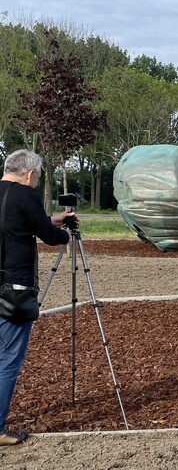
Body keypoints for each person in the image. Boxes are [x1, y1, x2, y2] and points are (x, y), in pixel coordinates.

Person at [0, 150, 75, 446]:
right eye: (38, 178)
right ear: (29, 174)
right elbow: (47, 235)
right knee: (8, 358)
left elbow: (19, 223)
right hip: (13, 287)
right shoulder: (25, 195)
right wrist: (66, 234)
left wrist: (51, 220)